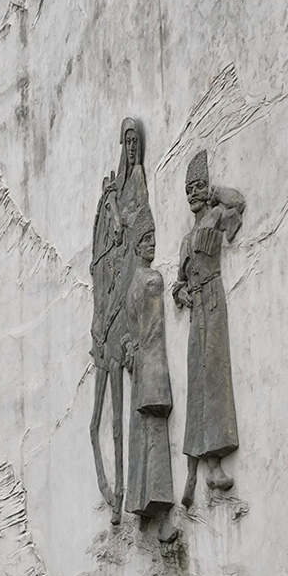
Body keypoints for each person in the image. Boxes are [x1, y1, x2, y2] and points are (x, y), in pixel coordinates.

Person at [89, 119, 155, 523]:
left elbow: (136, 224)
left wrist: (115, 207)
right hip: (110, 303)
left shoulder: (139, 181)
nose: (131, 147)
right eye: (126, 140)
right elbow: (112, 240)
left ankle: (124, 490)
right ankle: (111, 488)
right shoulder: (117, 192)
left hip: (125, 307)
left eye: (136, 140)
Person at [172, 150, 245, 505]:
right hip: (197, 306)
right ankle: (195, 467)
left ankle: (215, 464)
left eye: (198, 186)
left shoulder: (217, 214)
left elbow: (239, 203)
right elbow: (178, 281)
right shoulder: (186, 240)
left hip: (214, 300)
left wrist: (215, 191)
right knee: (197, 385)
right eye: (190, 188)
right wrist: (181, 292)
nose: (194, 193)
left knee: (215, 378)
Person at [124, 226, 176, 537]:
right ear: (135, 246)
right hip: (152, 368)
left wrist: (134, 353)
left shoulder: (131, 286)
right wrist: (154, 374)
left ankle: (142, 501)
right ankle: (159, 510)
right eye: (146, 239)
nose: (152, 244)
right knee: (155, 439)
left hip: (140, 368)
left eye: (153, 238)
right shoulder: (152, 280)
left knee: (141, 438)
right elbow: (155, 330)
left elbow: (131, 335)